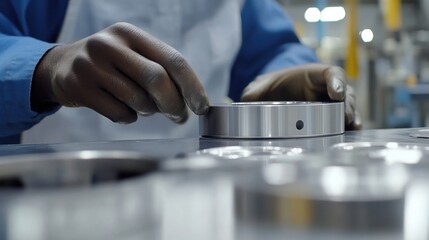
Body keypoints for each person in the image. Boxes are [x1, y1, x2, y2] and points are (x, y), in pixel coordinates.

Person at [0, 0, 361, 144]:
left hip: (203, 202)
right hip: (57, 201)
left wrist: (291, 76)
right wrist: (45, 67)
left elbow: (272, 48)